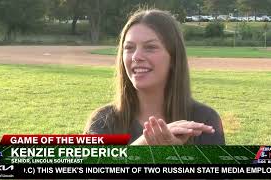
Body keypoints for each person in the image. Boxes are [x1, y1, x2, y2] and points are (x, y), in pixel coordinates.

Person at [84, 9, 225, 145]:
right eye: (129, 48)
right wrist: (144, 144)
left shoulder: (204, 120)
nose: (136, 57)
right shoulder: (103, 122)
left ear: (174, 58)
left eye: (150, 47)